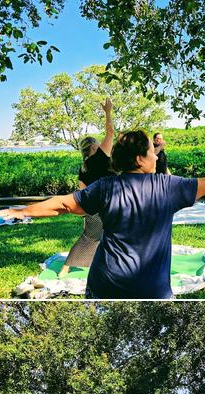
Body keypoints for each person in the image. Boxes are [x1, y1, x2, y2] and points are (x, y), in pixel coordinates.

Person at [0, 130, 205, 299]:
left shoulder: (105, 187)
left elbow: (63, 205)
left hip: (105, 284)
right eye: (151, 152)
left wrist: (21, 211)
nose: (156, 156)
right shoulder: (168, 186)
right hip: (151, 290)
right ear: (139, 159)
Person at [60, 99, 115, 277]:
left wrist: (85, 212)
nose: (101, 144)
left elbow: (81, 190)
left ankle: (66, 268)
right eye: (98, 142)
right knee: (110, 235)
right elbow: (110, 132)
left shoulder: (83, 167)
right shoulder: (100, 157)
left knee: (90, 237)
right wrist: (108, 112)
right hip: (109, 205)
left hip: (93, 208)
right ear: (93, 146)